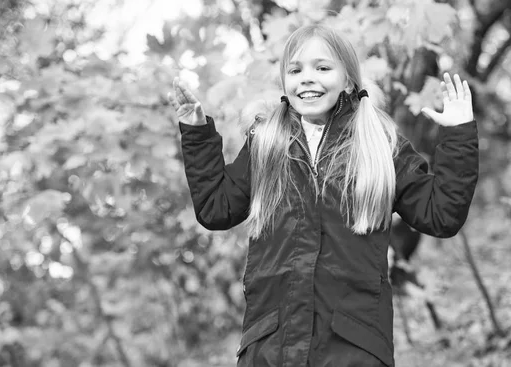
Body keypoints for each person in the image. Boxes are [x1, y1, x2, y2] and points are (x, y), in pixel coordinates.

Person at [168, 24, 478, 367]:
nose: (307, 78)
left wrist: (458, 135)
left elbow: (441, 214)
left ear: (347, 78)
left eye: (323, 67)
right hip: (271, 346)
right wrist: (196, 133)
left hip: (354, 345)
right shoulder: (267, 144)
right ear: (285, 82)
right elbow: (216, 208)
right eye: (295, 69)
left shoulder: (378, 144)